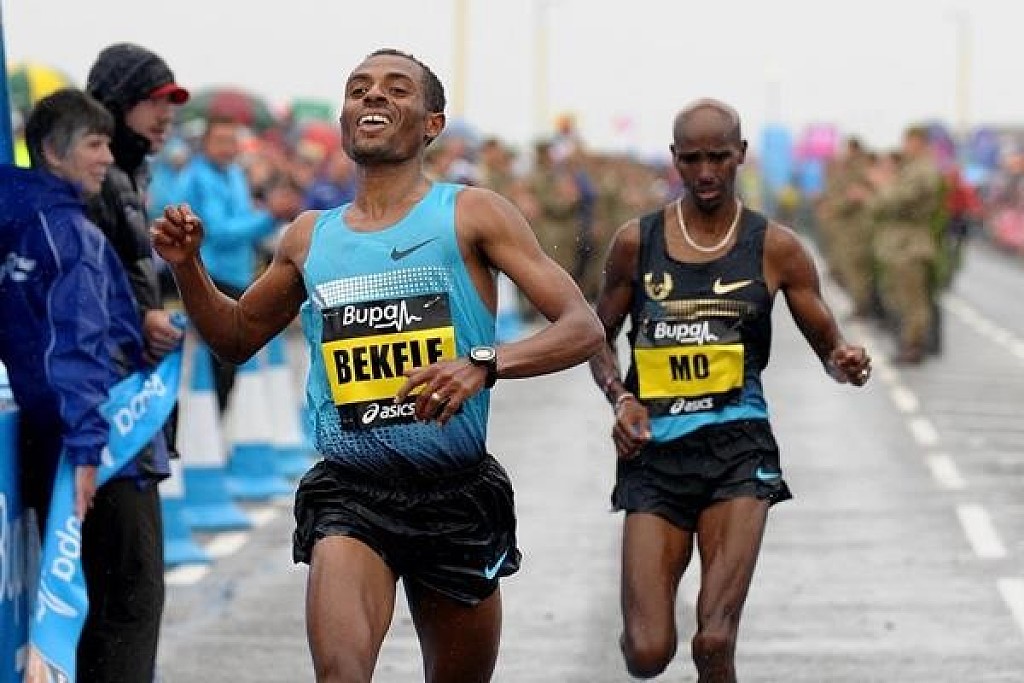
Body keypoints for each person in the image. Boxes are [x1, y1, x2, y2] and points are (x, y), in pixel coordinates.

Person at [151, 48, 603, 683]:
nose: (373, 96)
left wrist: (482, 363)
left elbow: (582, 326)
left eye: (396, 88)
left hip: (454, 492)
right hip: (351, 493)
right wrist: (187, 267)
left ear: (432, 124)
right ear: (344, 117)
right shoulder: (309, 236)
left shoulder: (472, 213)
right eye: (359, 87)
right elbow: (235, 336)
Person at [587, 98, 871, 682]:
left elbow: (830, 349)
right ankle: (645, 624)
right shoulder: (636, 243)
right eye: (692, 159)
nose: (706, 172)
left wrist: (846, 361)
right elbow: (595, 336)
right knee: (646, 652)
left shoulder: (776, 248)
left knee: (714, 640)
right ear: (674, 159)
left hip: (738, 450)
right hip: (654, 454)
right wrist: (621, 396)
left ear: (740, 154)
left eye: (718, 157)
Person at [0, 90, 161, 676]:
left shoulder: (18, 219)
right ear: (51, 150)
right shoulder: (66, 232)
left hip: (53, 438)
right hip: (98, 445)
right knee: (127, 604)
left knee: (84, 612)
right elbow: (75, 347)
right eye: (95, 144)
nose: (106, 158)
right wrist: (89, 451)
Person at [83, 42, 189, 680]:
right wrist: (139, 322)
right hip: (104, 414)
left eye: (173, 103)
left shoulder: (130, 179)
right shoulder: (97, 184)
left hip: (128, 409)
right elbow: (79, 297)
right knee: (131, 590)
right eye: (154, 101)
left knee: (128, 589)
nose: (166, 116)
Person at [174, 114, 302, 410]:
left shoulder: (233, 173)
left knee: (229, 365)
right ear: (204, 144)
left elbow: (242, 220)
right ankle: (202, 425)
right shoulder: (198, 178)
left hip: (237, 276)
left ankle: (215, 422)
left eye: (232, 141)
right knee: (217, 364)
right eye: (220, 141)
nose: (228, 148)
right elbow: (218, 231)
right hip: (210, 277)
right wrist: (269, 217)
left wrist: (268, 217)